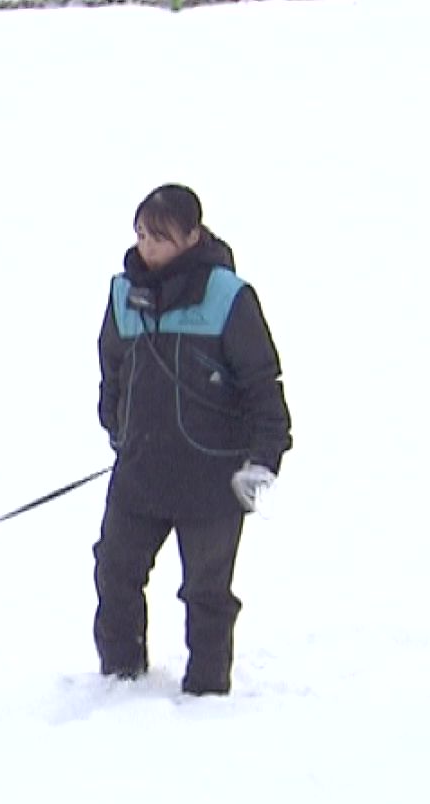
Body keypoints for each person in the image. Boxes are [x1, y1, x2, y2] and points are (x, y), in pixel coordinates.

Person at [93, 183, 292, 696]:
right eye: (141, 235)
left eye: (160, 237)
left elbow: (261, 383)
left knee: (206, 591)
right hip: (140, 471)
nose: (147, 247)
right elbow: (113, 369)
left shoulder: (228, 297)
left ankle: (206, 694)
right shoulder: (123, 295)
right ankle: (119, 680)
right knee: (115, 571)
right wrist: (117, 424)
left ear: (193, 236)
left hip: (213, 477)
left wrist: (263, 459)